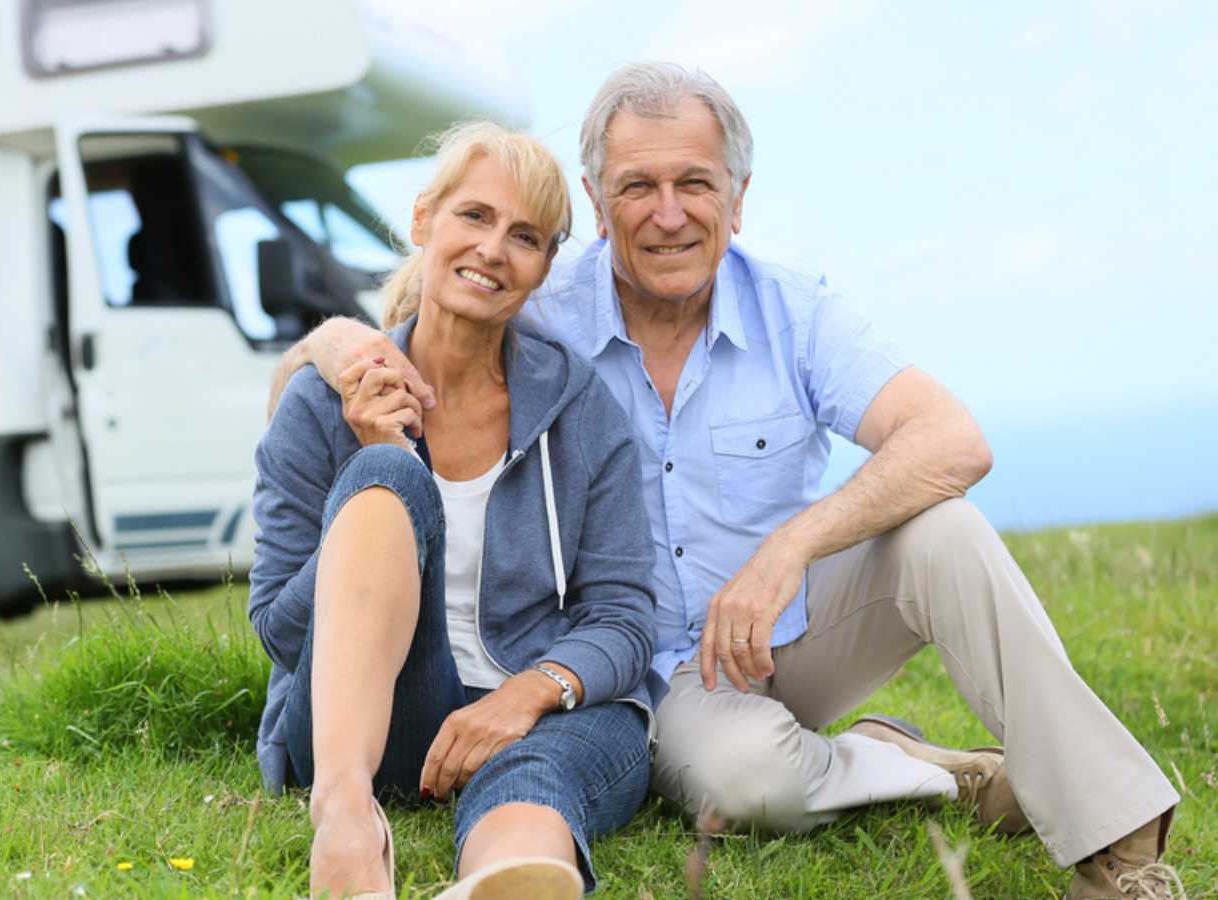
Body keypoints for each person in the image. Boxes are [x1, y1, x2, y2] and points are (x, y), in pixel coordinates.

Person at [275, 64, 1184, 899]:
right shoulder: (537, 300)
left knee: (946, 531)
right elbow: (372, 342)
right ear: (596, 203)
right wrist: (339, 344)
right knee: (745, 780)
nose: (668, 213)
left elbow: (953, 439)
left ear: (737, 199)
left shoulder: (796, 311)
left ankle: (1122, 843)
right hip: (652, 679)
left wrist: (790, 548)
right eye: (638, 187)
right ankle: (922, 769)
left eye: (695, 184)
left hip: (786, 633)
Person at [250, 121, 664, 899]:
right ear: (423, 221)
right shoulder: (318, 404)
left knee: (543, 763)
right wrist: (380, 474)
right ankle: (345, 819)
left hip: (536, 713)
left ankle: (507, 876)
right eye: (474, 216)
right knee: (383, 473)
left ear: (542, 268)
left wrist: (525, 693)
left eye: (526, 236)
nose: (493, 250)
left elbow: (623, 616)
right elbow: (277, 630)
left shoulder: (581, 408)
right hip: (367, 728)